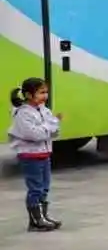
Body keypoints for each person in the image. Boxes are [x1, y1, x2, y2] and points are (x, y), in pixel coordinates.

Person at [10, 77, 61, 231]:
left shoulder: (45, 110)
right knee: (35, 188)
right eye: (41, 93)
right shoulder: (23, 114)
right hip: (30, 156)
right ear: (28, 95)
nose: (45, 96)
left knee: (44, 187)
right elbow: (34, 134)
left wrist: (50, 127)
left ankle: (42, 217)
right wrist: (50, 125)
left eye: (46, 92)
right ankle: (35, 221)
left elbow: (55, 132)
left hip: (44, 154)